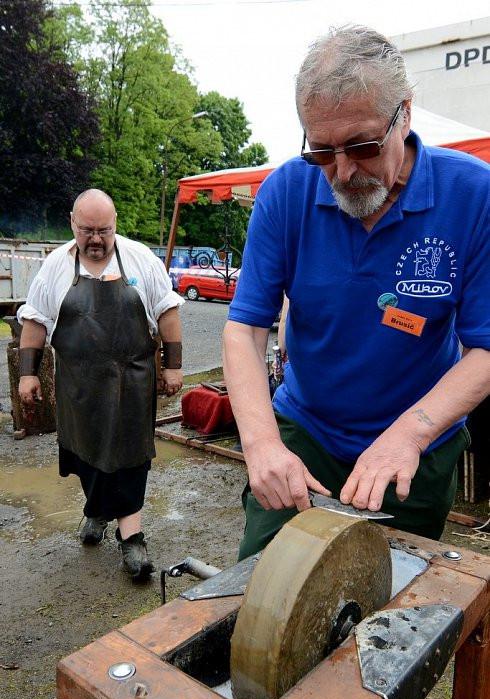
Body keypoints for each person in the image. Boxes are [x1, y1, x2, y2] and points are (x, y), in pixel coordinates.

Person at [223, 25, 490, 561]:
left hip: (417, 444)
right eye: (321, 150)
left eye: (362, 146)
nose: (342, 172)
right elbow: (245, 329)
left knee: (393, 599)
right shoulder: (287, 191)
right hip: (307, 432)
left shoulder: (474, 194)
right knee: (262, 588)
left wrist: (410, 434)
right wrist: (261, 444)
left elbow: (484, 349)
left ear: (405, 114)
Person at [17, 189, 184, 580]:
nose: (95, 239)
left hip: (132, 380)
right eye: (87, 230)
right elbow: (36, 320)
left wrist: (172, 366)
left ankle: (132, 536)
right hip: (79, 383)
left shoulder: (140, 259)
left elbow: (168, 311)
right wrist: (28, 373)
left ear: (115, 226)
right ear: (72, 224)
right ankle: (94, 509)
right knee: (86, 454)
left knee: (130, 457)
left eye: (104, 230)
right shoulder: (56, 265)